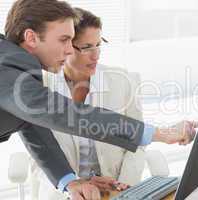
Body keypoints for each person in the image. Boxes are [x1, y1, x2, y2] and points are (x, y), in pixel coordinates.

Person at [0, 0, 197, 199]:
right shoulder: (7, 71)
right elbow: (68, 114)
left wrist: (70, 182)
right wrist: (161, 133)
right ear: (31, 38)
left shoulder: (19, 70)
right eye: (63, 39)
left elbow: (35, 130)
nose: (69, 50)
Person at [33, 7, 164, 199]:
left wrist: (124, 186)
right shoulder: (41, 88)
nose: (96, 55)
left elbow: (137, 144)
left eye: (98, 44)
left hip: (115, 189)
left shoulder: (122, 81)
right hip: (66, 193)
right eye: (86, 47)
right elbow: (38, 157)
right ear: (66, 47)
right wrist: (75, 184)